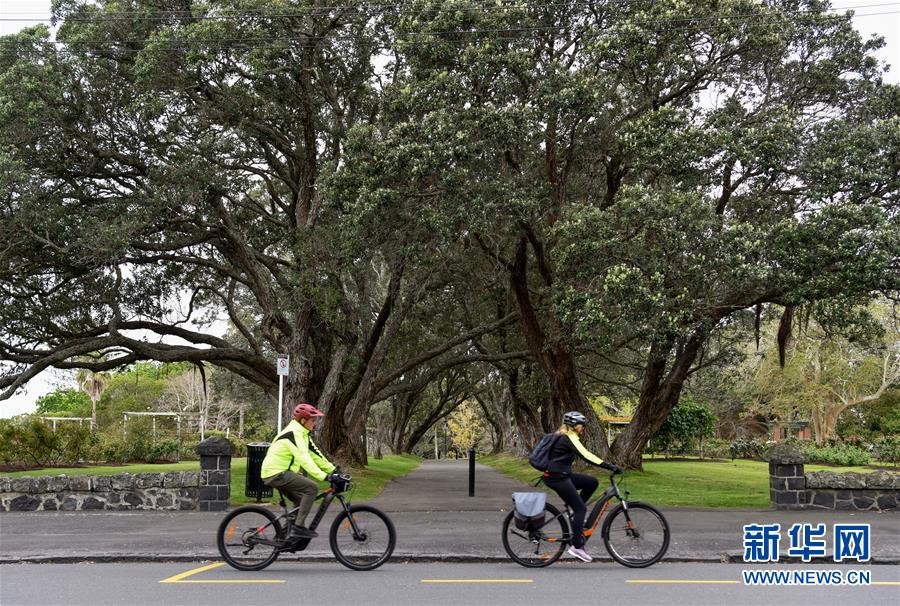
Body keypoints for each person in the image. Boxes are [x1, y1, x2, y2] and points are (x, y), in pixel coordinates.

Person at [543, 410, 622, 563]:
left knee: (592, 482)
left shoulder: (567, 436)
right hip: (557, 478)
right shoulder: (568, 438)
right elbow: (586, 455)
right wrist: (609, 466)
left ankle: (575, 515)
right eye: (582, 425)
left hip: (562, 475)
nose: (583, 428)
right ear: (574, 425)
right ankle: (577, 547)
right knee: (581, 509)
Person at [260, 402, 337, 542]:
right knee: (312, 488)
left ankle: (283, 537)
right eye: (312, 420)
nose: (314, 423)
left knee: (300, 500)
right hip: (276, 473)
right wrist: (325, 477)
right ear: (303, 420)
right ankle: (298, 527)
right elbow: (304, 458)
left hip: (280, 472)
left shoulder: (302, 434)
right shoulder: (293, 433)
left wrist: (334, 470)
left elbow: (315, 454)